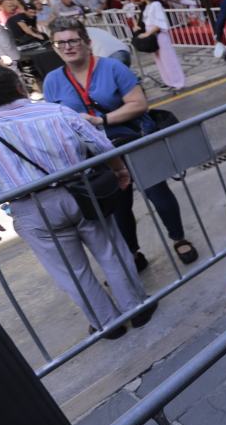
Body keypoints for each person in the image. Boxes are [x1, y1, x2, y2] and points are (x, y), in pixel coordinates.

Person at [0, 62, 156, 338]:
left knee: (71, 271)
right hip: (82, 194)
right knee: (111, 252)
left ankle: (107, 323)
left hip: (32, 211)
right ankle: (137, 308)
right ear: (18, 86)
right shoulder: (58, 112)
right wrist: (120, 170)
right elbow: (102, 147)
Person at [43, 18, 198, 271]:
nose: (67, 47)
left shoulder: (113, 68)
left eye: (73, 40)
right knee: (118, 205)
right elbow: (55, 117)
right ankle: (133, 252)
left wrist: (100, 119)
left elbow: (138, 104)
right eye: (60, 43)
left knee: (158, 193)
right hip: (95, 154)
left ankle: (179, 238)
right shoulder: (52, 80)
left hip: (132, 142)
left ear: (87, 43)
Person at [131, 0, 185, 92]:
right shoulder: (147, 7)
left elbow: (160, 22)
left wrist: (147, 33)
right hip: (152, 36)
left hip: (159, 35)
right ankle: (169, 82)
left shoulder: (156, 4)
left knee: (168, 59)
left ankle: (178, 82)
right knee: (160, 60)